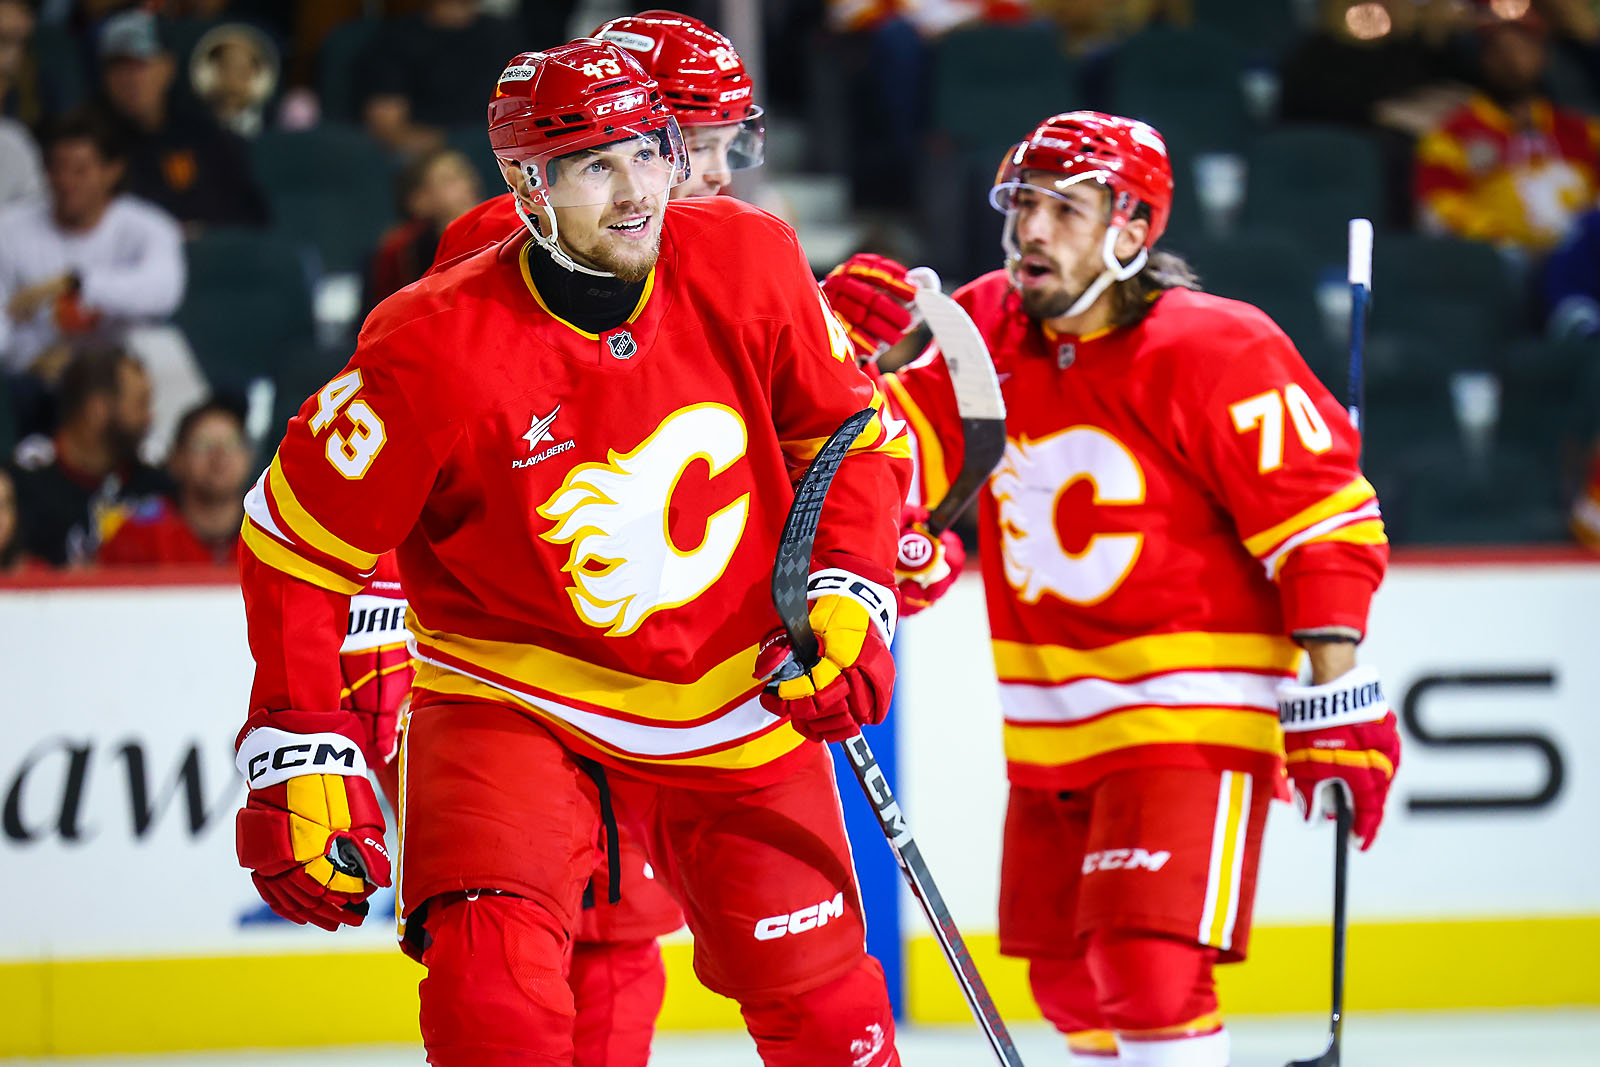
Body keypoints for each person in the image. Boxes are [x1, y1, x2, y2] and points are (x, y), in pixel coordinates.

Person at [232, 40, 910, 1067]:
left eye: (648, 151)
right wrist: (296, 739)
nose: (638, 190)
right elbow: (297, 540)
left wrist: (849, 587)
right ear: (524, 183)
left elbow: (843, 435)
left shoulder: (750, 256)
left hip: (733, 692)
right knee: (493, 1005)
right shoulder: (431, 344)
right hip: (516, 697)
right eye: (597, 164)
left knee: (825, 1012)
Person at [880, 112, 1401, 1066]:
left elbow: (1325, 523)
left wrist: (1337, 693)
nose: (1032, 231)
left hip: (1191, 713)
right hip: (1051, 717)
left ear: (1132, 229)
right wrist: (890, 535)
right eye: (1023, 205)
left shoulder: (1219, 347)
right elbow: (893, 451)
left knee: (1147, 965)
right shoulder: (988, 322)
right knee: (1066, 979)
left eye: (1065, 210)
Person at [0, 110, 185, 432]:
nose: (65, 182)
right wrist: (27, 359)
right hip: (36, 380)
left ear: (112, 171)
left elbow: (164, 291)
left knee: (164, 353)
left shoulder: (148, 226)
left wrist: (77, 284)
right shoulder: (10, 228)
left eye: (80, 170)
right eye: (57, 169)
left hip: (120, 374)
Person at [1415, 6, 1600, 251]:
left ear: (1542, 56)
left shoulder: (1583, 131)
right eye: (1499, 51)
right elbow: (1436, 210)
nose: (1511, 60)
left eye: (1522, 48)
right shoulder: (1452, 135)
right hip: (1496, 262)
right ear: (1483, 59)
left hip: (1577, 258)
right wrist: (1498, 240)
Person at [94, 9, 269, 230]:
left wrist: (206, 232)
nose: (130, 79)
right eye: (118, 67)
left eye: (140, 65)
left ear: (167, 68)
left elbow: (252, 217)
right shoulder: (91, 144)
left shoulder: (206, 138)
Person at [10, 346, 169, 566]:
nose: (149, 417)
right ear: (97, 410)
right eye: (140, 404)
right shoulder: (21, 489)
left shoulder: (157, 486)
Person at [97, 397, 249, 565]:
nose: (220, 454)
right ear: (177, 459)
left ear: (248, 457)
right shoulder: (139, 533)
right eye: (203, 444)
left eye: (232, 442)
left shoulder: (272, 534)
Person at [355, 0, 515, 157]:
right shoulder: (396, 41)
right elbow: (388, 126)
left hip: (504, 151)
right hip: (435, 156)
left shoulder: (504, 34)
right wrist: (452, 148)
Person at [366, 147, 483, 310]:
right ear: (419, 200)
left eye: (466, 174)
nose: (467, 184)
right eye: (449, 180)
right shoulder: (401, 254)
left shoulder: (506, 234)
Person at [189, 22, 280, 140]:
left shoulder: (273, 126)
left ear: (259, 77)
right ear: (210, 73)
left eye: (243, 69)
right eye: (228, 66)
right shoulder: (195, 126)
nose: (234, 76)